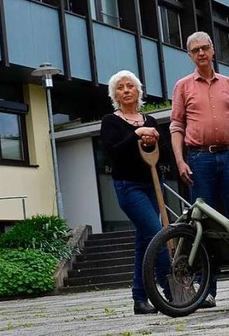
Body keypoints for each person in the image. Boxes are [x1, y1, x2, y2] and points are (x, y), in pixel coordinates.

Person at [170, 31, 229, 308]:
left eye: (205, 48)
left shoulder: (228, 83)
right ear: (189, 55)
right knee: (205, 225)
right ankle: (207, 290)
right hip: (199, 159)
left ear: (213, 51)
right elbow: (176, 126)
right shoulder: (183, 86)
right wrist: (180, 161)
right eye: (195, 49)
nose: (201, 53)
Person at [100, 70, 169, 314]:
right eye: (121, 87)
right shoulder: (111, 121)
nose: (126, 90)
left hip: (153, 183)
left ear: (138, 91)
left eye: (131, 86)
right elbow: (114, 152)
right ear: (115, 94)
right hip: (129, 186)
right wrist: (135, 136)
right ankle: (174, 291)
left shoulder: (150, 121)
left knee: (144, 242)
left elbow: (163, 153)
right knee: (158, 236)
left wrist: (154, 141)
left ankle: (139, 298)